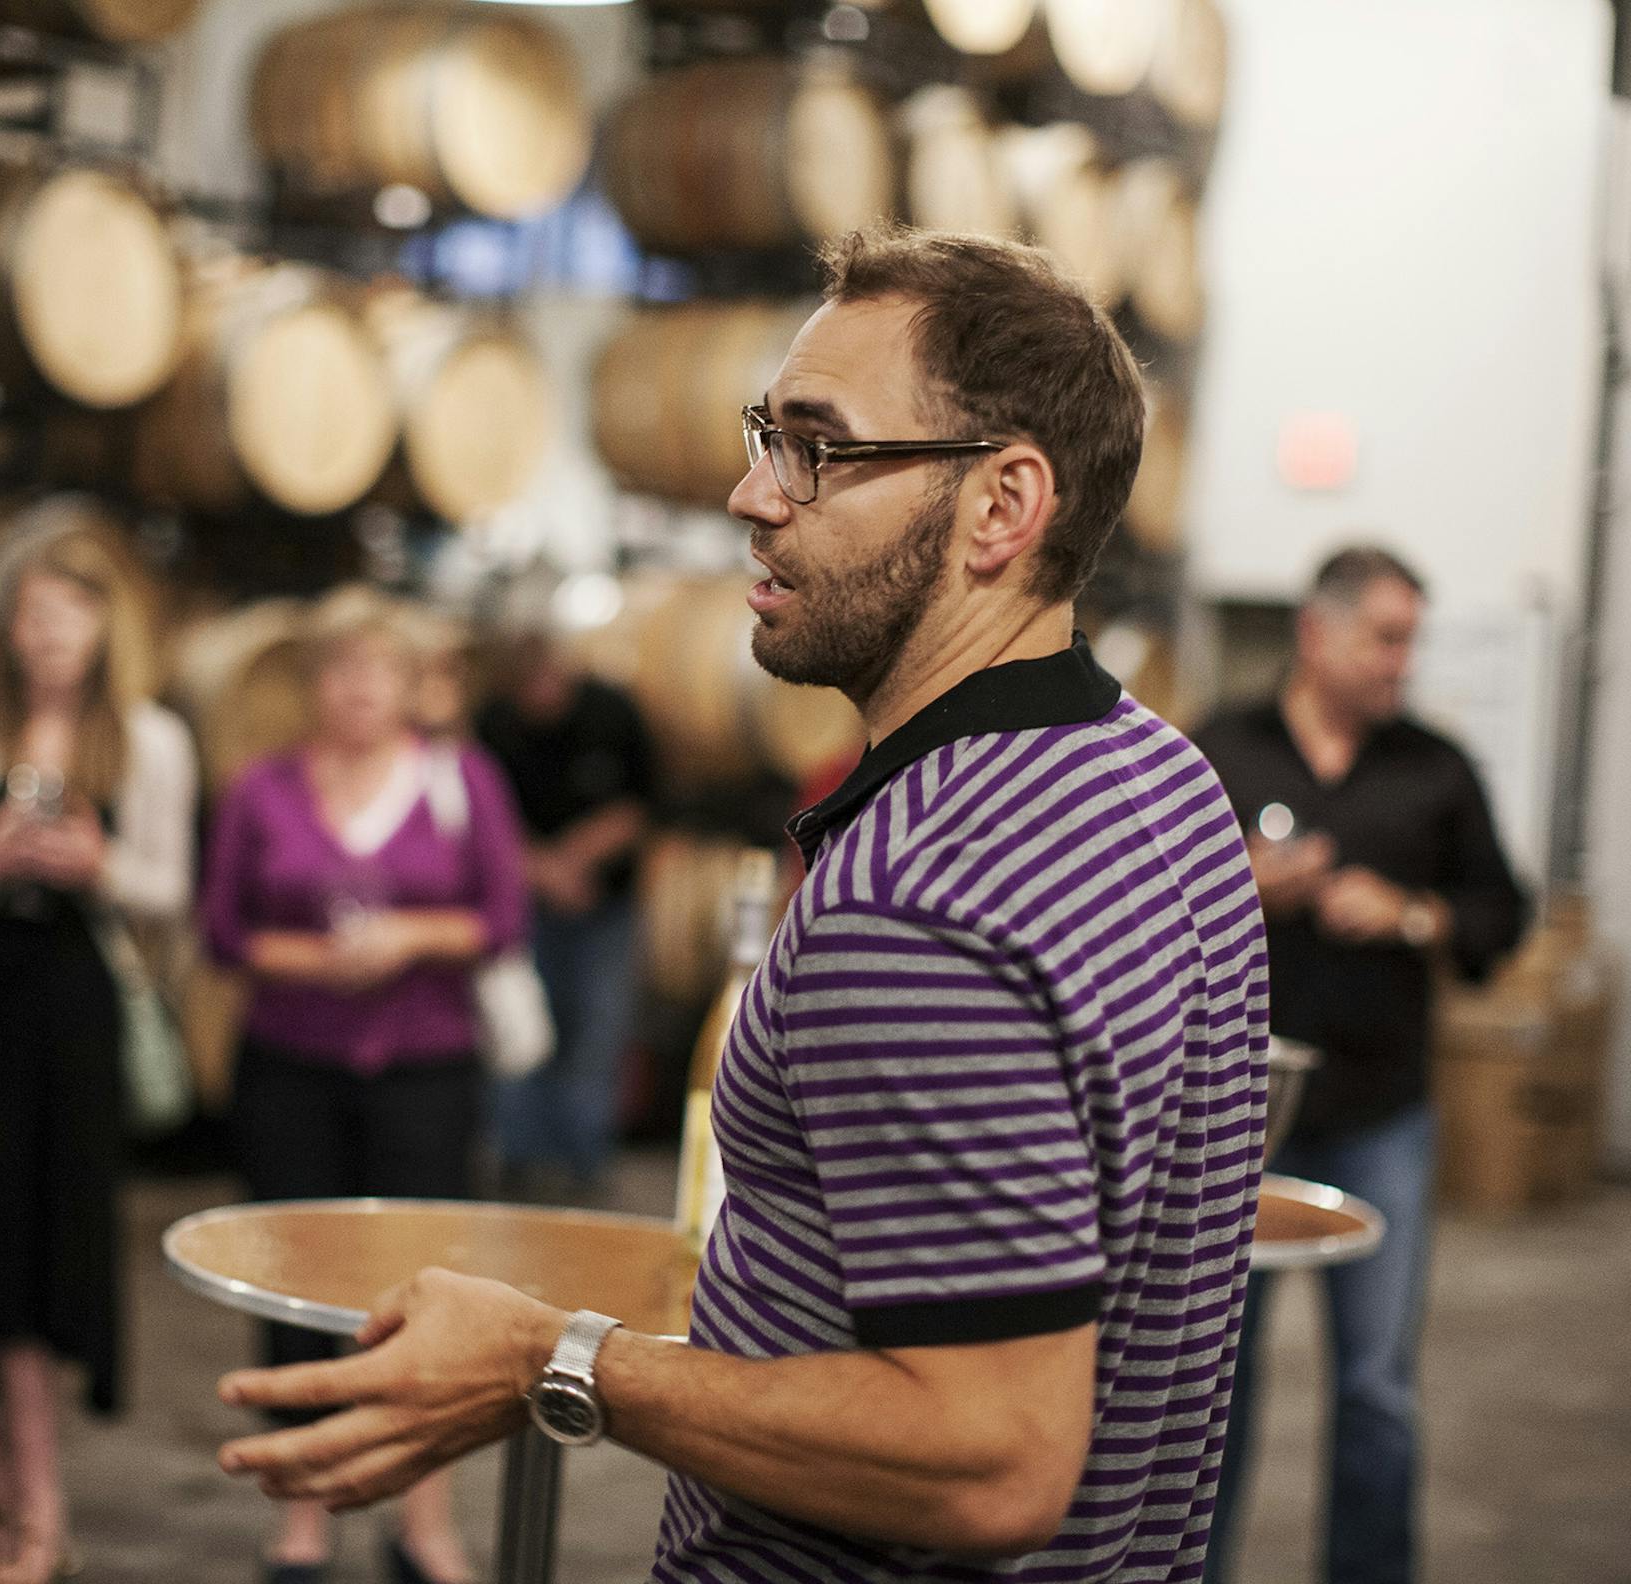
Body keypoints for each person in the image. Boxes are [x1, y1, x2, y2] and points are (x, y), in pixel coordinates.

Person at [209, 225, 1271, 1584]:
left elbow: (994, 1454)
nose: (749, 493)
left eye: (816, 449)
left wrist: (556, 1356)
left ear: (1003, 508)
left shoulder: (917, 902)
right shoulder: (1157, 782)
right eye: (766, 433)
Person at [1193, 547, 1527, 1584]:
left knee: (1377, 1386)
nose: (1402, 663)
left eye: (1410, 639)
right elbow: (1140, 899)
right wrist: (1238, 886)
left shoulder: (1436, 767)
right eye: (1387, 637)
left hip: (1382, 1118)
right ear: (1316, 633)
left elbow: (1499, 914)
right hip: (1233, 1122)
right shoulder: (1219, 749)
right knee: (1209, 1391)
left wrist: (1411, 911)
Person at [200, 585, 530, 1584]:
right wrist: (319, 962)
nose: (358, 690)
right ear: (312, 686)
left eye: (377, 672)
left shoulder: (459, 780)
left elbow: (504, 918)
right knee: (294, 1285)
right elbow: (222, 933)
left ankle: (423, 1515)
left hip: (425, 1065)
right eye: (340, 672)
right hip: (291, 1063)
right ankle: (302, 1511)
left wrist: (410, 940)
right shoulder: (264, 790)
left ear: (405, 686)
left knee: (421, 1284)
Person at [0, 530, 194, 1584]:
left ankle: (23, 1501)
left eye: (69, 609)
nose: (48, 630)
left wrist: (97, 862)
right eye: (31, 610)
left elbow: (168, 892)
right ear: (3, 626)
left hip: (79, 1024)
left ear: (107, 624)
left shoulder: (149, 742)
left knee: (50, 1259)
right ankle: (28, 1502)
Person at [475, 628, 654, 1199]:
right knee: (523, 1028)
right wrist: (545, 872)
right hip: (525, 899)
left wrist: (575, 859)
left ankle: (584, 1160)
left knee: (596, 1030)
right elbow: (486, 822)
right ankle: (519, 1158)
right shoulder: (494, 723)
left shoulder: (613, 712)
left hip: (604, 903)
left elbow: (641, 805)